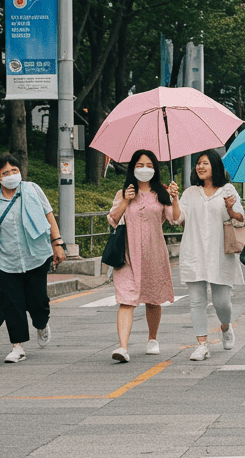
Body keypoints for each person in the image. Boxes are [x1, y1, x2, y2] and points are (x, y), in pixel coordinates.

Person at [0, 154, 67, 363]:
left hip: (36, 255)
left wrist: (58, 244)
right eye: (5, 173)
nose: (11, 175)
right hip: (6, 260)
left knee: (38, 300)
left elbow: (49, 214)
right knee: (12, 303)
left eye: (14, 170)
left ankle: (41, 323)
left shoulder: (32, 189)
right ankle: (17, 347)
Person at [106, 149, 180, 363]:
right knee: (126, 301)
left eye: (148, 165)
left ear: (155, 169)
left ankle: (152, 338)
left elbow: (175, 220)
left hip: (153, 254)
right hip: (127, 254)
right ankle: (122, 347)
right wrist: (125, 201)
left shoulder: (162, 193)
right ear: (132, 168)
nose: (144, 169)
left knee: (153, 300)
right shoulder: (124, 193)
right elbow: (113, 220)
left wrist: (174, 199)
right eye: (139, 165)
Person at [177, 150, 245, 362]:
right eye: (198, 163)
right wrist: (172, 199)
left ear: (215, 166)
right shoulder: (190, 193)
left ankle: (226, 327)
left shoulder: (227, 190)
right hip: (194, 250)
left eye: (205, 163)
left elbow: (241, 218)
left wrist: (230, 209)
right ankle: (202, 344)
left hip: (219, 253)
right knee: (196, 301)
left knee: (222, 301)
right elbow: (178, 218)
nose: (200, 167)